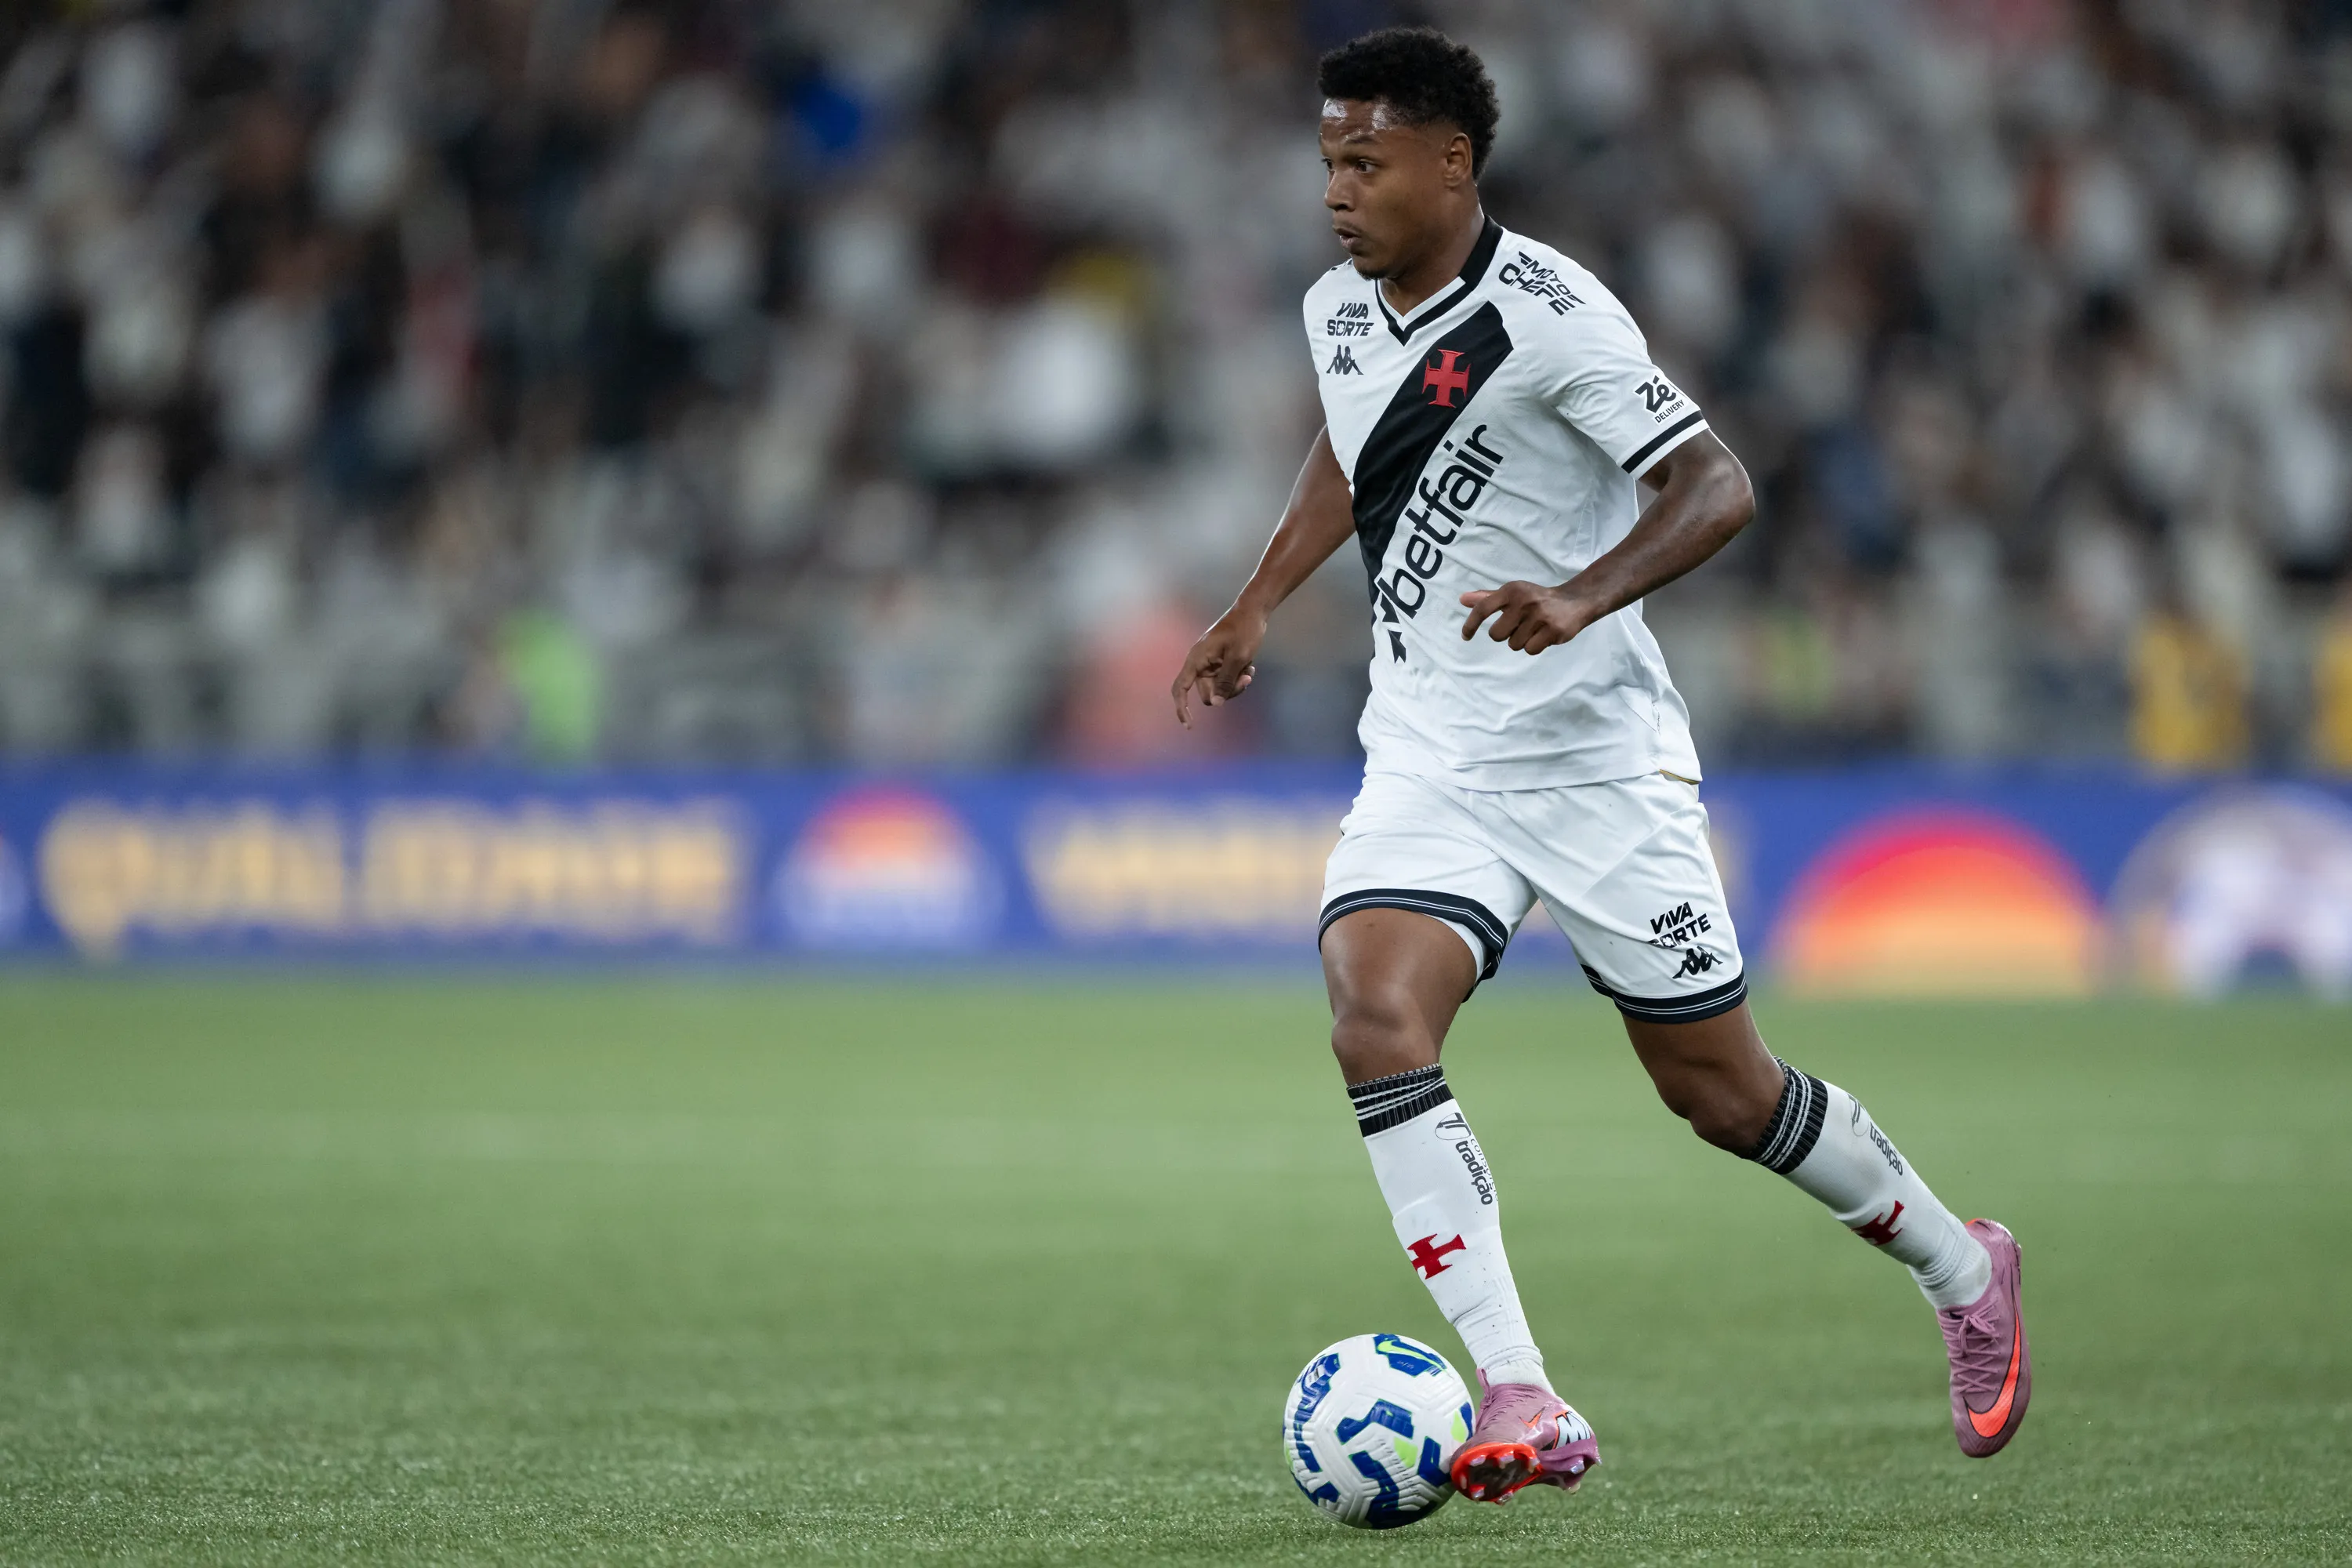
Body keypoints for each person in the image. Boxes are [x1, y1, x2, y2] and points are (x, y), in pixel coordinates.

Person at [1171, 27, 2029, 1504]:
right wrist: (1260, 596)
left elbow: (1717, 485)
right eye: (1327, 163)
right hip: (1431, 749)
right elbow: (1351, 443)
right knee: (1376, 1016)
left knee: (1720, 1092)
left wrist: (1582, 594)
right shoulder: (1340, 306)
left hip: (1593, 760)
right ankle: (1519, 1384)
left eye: (1364, 162)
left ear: (1453, 161)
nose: (1337, 193)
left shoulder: (1556, 316)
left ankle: (1964, 1265)